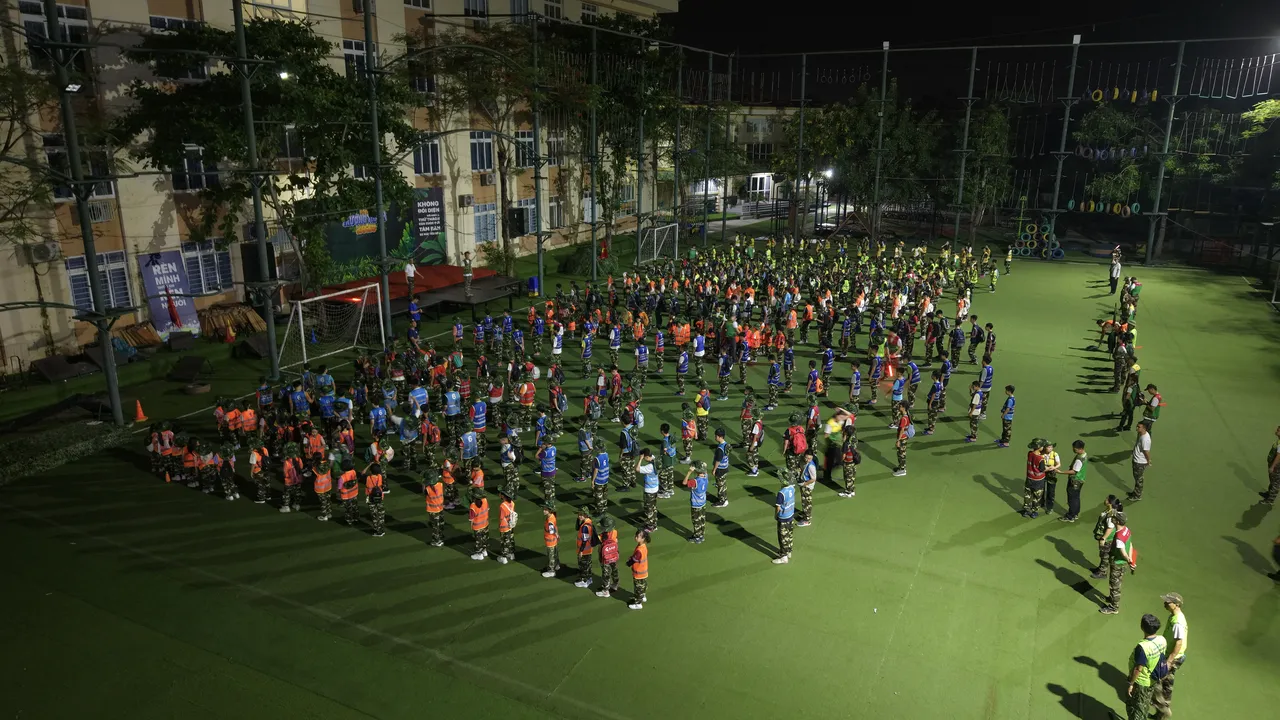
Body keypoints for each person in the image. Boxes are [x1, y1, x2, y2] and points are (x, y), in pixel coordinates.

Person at [1125, 614, 1168, 720]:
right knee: (1143, 704)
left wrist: (1131, 683)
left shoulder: (1143, 647)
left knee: (1138, 708)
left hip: (1141, 682)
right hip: (1153, 679)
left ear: (1142, 627)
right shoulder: (1162, 639)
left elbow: (1138, 668)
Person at [1153, 592, 1187, 718]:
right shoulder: (1173, 616)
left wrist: (1169, 660)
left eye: (1168, 602)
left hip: (1173, 657)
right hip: (1170, 655)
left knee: (1157, 682)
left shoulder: (1178, 622)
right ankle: (1161, 713)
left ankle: (1163, 710)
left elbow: (1179, 642)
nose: (1165, 603)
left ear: (1176, 604)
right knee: (1166, 684)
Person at [1100, 511, 1136, 614]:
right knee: (1115, 583)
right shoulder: (1126, 530)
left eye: (1114, 518)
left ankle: (1114, 607)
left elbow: (1123, 552)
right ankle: (1112, 598)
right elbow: (1131, 545)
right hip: (1121, 562)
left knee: (1115, 585)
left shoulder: (1119, 537)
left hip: (1117, 563)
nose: (1112, 518)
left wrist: (1128, 560)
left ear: (1117, 521)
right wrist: (1130, 559)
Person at [683, 460, 709, 543]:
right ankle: (701, 535)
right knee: (702, 519)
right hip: (703, 503)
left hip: (696, 504)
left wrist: (689, 472)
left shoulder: (695, 481)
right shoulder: (706, 477)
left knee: (696, 521)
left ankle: (697, 537)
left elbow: (684, 482)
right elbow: (705, 471)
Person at [1062, 439, 1088, 522]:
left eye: (1075, 449)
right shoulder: (1084, 455)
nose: (1073, 450)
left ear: (1080, 449)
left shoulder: (1079, 459)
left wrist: (1061, 472)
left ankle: (1070, 516)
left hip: (1075, 481)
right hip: (1080, 480)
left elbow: (1074, 471)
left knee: (1072, 498)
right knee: (1076, 497)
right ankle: (1075, 513)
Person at [773, 473, 796, 564]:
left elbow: (778, 507)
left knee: (783, 537)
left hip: (783, 518)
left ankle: (783, 557)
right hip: (791, 515)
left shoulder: (781, 493)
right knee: (789, 534)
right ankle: (789, 551)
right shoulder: (792, 488)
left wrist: (776, 515)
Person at [594, 515, 620, 598]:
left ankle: (605, 590)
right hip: (614, 554)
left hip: (605, 557)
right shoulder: (615, 532)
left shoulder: (601, 536)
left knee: (606, 573)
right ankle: (615, 584)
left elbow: (598, 545)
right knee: (614, 569)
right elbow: (616, 541)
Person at [1021, 439, 1047, 518]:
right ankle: (1034, 512)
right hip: (1038, 481)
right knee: (1037, 497)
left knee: (1028, 495)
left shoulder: (1030, 454)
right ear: (1039, 447)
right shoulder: (1040, 459)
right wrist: (1050, 468)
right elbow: (1042, 469)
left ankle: (1026, 510)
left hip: (1029, 479)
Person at [1127, 422, 1152, 502]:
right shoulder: (1140, 434)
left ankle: (1137, 495)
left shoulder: (1145, 439)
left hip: (1139, 462)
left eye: (1139, 427)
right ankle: (1136, 492)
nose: (1136, 428)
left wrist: (1148, 461)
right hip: (1137, 460)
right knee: (1136, 477)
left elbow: (1146, 451)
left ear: (1144, 428)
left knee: (1139, 479)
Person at [626, 529, 650, 610]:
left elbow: (634, 560)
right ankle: (643, 596)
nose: (636, 537)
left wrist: (628, 563)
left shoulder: (639, 550)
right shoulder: (643, 546)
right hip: (644, 572)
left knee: (638, 589)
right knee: (643, 586)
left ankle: (638, 603)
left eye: (638, 536)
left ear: (643, 538)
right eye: (636, 536)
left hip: (638, 573)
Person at [637, 448, 659, 532]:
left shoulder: (649, 467)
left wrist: (640, 459)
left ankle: (650, 526)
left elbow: (637, 469)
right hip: (655, 487)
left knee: (648, 509)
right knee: (653, 507)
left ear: (646, 457)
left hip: (649, 490)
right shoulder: (655, 459)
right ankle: (654, 524)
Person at [574, 507, 597, 588]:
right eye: (578, 514)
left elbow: (584, 539)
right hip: (588, 548)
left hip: (584, 550)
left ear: (585, 515)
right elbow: (577, 528)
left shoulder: (585, 527)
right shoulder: (588, 522)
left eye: (581, 515)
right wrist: (578, 519)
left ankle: (584, 581)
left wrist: (581, 551)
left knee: (583, 566)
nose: (579, 516)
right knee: (588, 565)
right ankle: (589, 579)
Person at [423, 468, 445, 547]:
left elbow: (424, 492)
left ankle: (437, 541)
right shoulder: (440, 485)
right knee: (440, 523)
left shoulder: (428, 489)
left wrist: (424, 483)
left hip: (433, 510)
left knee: (435, 526)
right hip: (440, 507)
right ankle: (441, 535)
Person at [796, 450, 818, 525]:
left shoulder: (811, 466)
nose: (807, 460)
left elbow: (813, 479)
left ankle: (807, 520)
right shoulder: (803, 461)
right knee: (804, 500)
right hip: (803, 483)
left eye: (809, 458)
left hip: (807, 486)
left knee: (806, 502)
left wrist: (804, 484)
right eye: (806, 458)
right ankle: (805, 513)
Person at [468, 488, 489, 561]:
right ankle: (484, 551)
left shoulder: (473, 506)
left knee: (478, 540)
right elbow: (487, 509)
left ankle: (479, 554)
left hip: (477, 526)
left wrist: (471, 527)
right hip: (485, 524)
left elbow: (471, 518)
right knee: (484, 538)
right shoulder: (485, 500)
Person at [497, 489, 517, 565]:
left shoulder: (502, 506)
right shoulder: (512, 503)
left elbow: (501, 517)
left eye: (501, 494)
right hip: (511, 524)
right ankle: (511, 554)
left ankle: (504, 557)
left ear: (503, 496)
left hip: (504, 526)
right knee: (510, 539)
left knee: (504, 541)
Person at [540, 501, 560, 578]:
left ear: (550, 510)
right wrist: (557, 534)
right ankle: (557, 565)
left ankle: (551, 571)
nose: (544, 511)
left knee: (551, 556)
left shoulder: (550, 520)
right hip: (554, 539)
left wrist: (551, 531)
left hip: (550, 540)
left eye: (545, 509)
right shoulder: (552, 516)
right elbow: (555, 527)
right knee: (555, 553)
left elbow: (551, 531)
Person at [1263, 425, 1280, 505]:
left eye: (1278, 430)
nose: (1276, 431)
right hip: (1275, 464)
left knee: (1276, 483)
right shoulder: (1279, 441)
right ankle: (1269, 494)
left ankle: (1270, 500)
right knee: (1272, 480)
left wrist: (1272, 467)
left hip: (1277, 466)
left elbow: (1279, 456)